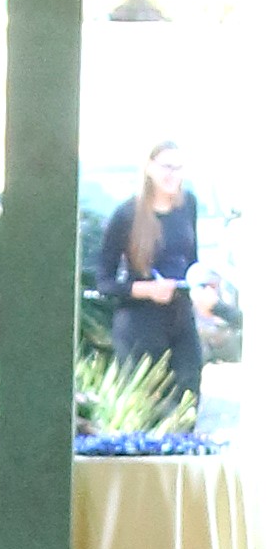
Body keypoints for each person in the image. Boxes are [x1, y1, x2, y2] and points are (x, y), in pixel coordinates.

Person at [100, 140, 203, 419]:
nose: (173, 175)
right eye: (166, 167)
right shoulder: (127, 214)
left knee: (187, 403)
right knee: (147, 413)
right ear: (149, 168)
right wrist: (147, 290)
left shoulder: (188, 205)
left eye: (178, 168)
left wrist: (202, 284)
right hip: (139, 325)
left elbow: (191, 261)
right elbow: (104, 281)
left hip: (180, 319)